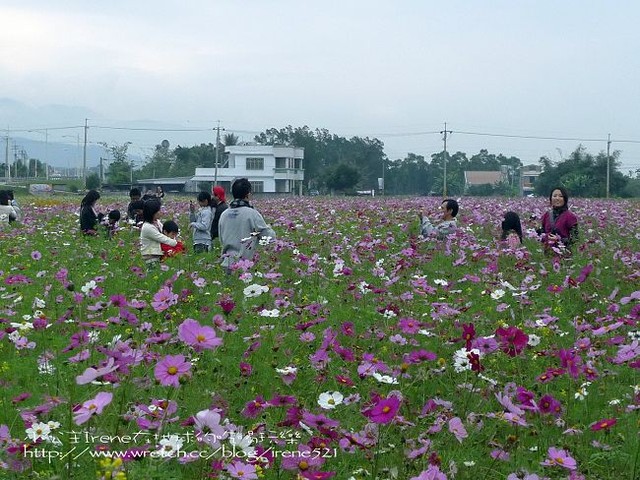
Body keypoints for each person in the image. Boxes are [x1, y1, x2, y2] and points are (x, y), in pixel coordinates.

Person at [218, 178, 276, 270]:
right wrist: (269, 229)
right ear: (248, 195)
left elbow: (221, 239)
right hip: (244, 266)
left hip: (227, 263)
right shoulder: (252, 213)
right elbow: (269, 238)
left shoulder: (224, 214)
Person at [139, 199, 177, 265]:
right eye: (158, 211)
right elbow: (163, 238)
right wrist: (176, 243)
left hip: (158, 256)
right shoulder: (147, 227)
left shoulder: (157, 222)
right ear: (152, 212)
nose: (160, 212)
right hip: (150, 258)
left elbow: (166, 232)